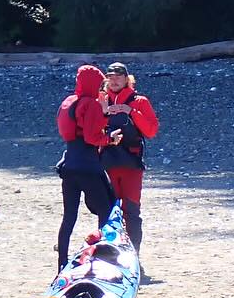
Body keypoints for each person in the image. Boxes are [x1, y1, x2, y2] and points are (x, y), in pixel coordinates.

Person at [55, 65, 119, 271]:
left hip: (69, 164)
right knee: (105, 211)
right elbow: (93, 137)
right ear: (93, 84)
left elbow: (77, 130)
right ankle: (103, 258)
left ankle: (61, 263)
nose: (102, 88)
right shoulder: (90, 104)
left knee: (69, 217)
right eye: (100, 84)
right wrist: (110, 139)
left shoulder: (69, 102)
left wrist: (104, 113)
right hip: (88, 167)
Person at [99, 62, 160, 254]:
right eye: (110, 76)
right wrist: (103, 111)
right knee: (108, 212)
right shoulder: (100, 101)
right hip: (107, 164)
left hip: (131, 165)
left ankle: (134, 255)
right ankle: (109, 252)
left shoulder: (139, 101)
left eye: (119, 76)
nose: (114, 80)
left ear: (127, 79)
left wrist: (129, 111)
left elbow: (151, 131)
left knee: (132, 212)